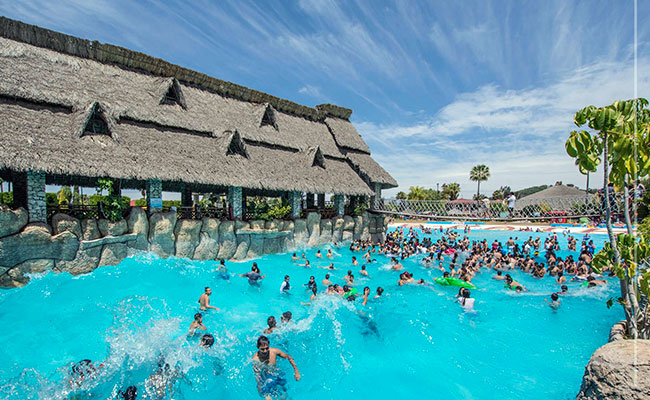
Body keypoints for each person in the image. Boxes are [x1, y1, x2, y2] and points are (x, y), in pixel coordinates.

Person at [252, 336, 300, 400]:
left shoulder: (274, 351)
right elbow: (257, 376)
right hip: (265, 377)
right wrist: (259, 385)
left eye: (267, 348)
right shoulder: (255, 360)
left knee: (284, 395)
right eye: (262, 349)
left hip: (276, 373)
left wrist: (296, 371)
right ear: (258, 347)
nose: (265, 351)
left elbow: (289, 357)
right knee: (267, 394)